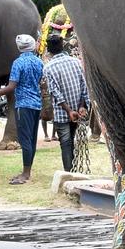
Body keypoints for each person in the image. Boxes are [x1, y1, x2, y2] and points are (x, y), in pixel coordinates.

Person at [0, 34, 44, 184]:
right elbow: (42, 82)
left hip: (23, 105)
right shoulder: (39, 62)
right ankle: (27, 171)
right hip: (36, 104)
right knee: (32, 139)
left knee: (25, 140)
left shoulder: (18, 63)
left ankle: (25, 174)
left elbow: (11, 87)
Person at [42, 35, 89, 172]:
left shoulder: (48, 68)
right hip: (77, 110)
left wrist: (69, 111)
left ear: (49, 50)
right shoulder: (76, 62)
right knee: (72, 140)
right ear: (62, 46)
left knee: (66, 143)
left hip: (63, 113)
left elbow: (55, 93)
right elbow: (83, 86)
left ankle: (69, 173)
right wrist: (81, 106)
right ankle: (73, 171)